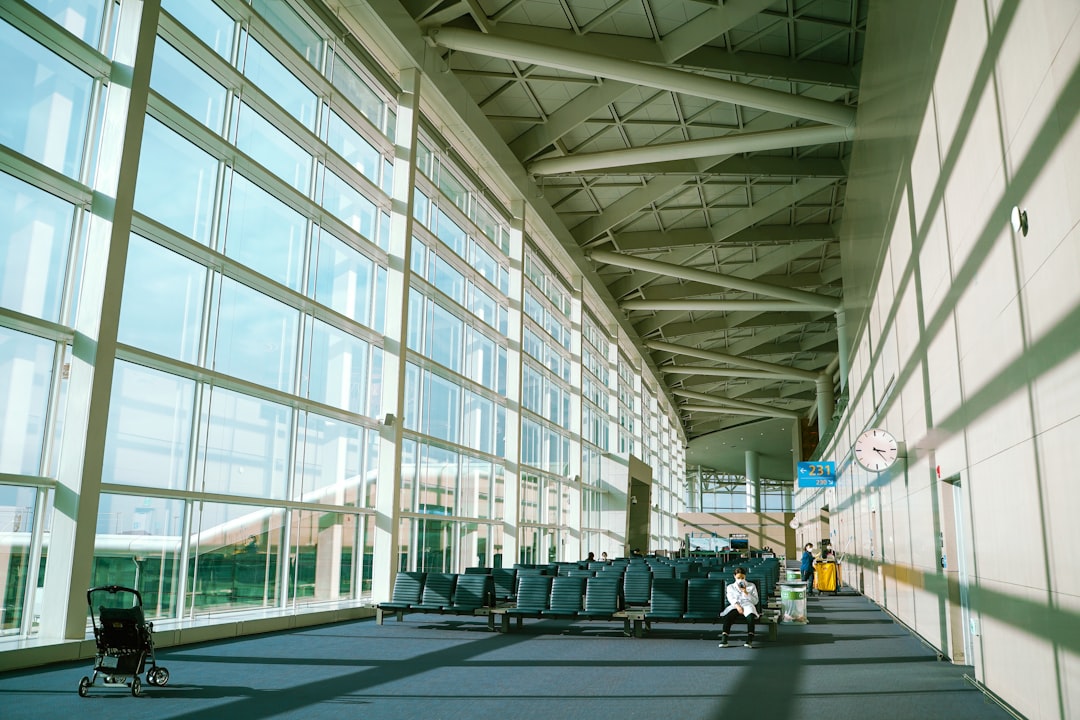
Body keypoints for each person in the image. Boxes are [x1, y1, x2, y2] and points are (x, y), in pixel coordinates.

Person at [718, 567, 759, 648]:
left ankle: (750, 639)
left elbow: (755, 601)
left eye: (742, 578)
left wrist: (745, 592)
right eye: (738, 578)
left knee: (750, 617)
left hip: (748, 605)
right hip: (736, 605)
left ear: (745, 577)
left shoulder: (751, 586)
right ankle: (724, 638)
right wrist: (738, 606)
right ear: (734, 576)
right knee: (729, 617)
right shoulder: (730, 587)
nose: (740, 580)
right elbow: (731, 598)